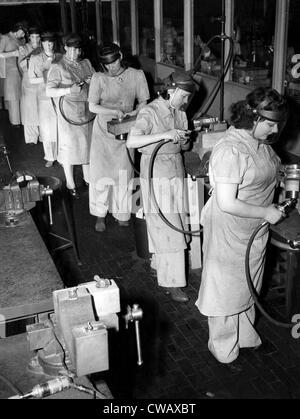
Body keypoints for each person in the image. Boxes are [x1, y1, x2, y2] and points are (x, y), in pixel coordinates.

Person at [195, 87, 288, 364]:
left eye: (277, 124)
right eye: (269, 123)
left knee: (248, 284)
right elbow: (226, 202)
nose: (274, 129)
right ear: (252, 117)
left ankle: (245, 335)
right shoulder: (230, 149)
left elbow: (268, 169)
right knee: (225, 289)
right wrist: (266, 212)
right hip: (229, 228)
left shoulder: (262, 143)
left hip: (254, 227)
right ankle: (222, 346)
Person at [126, 70, 196, 303]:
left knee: (174, 221)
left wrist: (184, 141)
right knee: (168, 227)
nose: (186, 101)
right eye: (184, 96)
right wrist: (165, 134)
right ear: (172, 90)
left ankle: (159, 264)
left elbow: (184, 148)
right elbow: (132, 141)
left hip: (175, 167)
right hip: (155, 169)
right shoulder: (150, 111)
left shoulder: (181, 113)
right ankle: (172, 283)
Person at [88, 42, 149, 231]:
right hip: (103, 130)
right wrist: (114, 111)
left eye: (114, 63)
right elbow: (92, 106)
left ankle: (121, 212)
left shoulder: (136, 75)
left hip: (127, 127)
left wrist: (132, 115)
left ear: (120, 56)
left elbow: (144, 102)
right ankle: (100, 214)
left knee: (124, 172)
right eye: (107, 65)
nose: (111, 68)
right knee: (101, 174)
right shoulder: (98, 78)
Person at [46, 34, 95, 198]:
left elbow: (96, 80)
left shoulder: (86, 63)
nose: (76, 53)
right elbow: (49, 90)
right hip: (68, 111)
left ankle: (88, 179)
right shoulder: (58, 66)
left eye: (78, 49)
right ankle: (70, 183)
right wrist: (68, 90)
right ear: (65, 47)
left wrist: (92, 80)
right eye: (72, 49)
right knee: (69, 148)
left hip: (86, 110)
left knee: (86, 145)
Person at [28, 32, 62, 167]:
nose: (49, 45)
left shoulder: (60, 57)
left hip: (60, 96)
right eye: (46, 42)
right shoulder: (35, 58)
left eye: (51, 42)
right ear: (41, 43)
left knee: (60, 127)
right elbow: (31, 79)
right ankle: (50, 156)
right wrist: (47, 79)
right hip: (44, 98)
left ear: (54, 43)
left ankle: (61, 155)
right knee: (47, 129)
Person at [18, 27, 42, 144]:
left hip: (41, 80)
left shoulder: (44, 46)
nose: (35, 39)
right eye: (32, 37)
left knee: (41, 108)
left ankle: (43, 136)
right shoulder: (24, 48)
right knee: (29, 109)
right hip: (28, 80)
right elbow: (21, 65)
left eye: (37, 36)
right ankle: (32, 137)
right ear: (29, 37)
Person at [0, 23, 26, 126]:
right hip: (10, 72)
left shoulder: (21, 40)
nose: (24, 35)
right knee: (13, 97)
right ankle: (15, 123)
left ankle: (22, 120)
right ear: (18, 29)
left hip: (21, 71)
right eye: (23, 32)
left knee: (22, 96)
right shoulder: (5, 38)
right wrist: (13, 53)